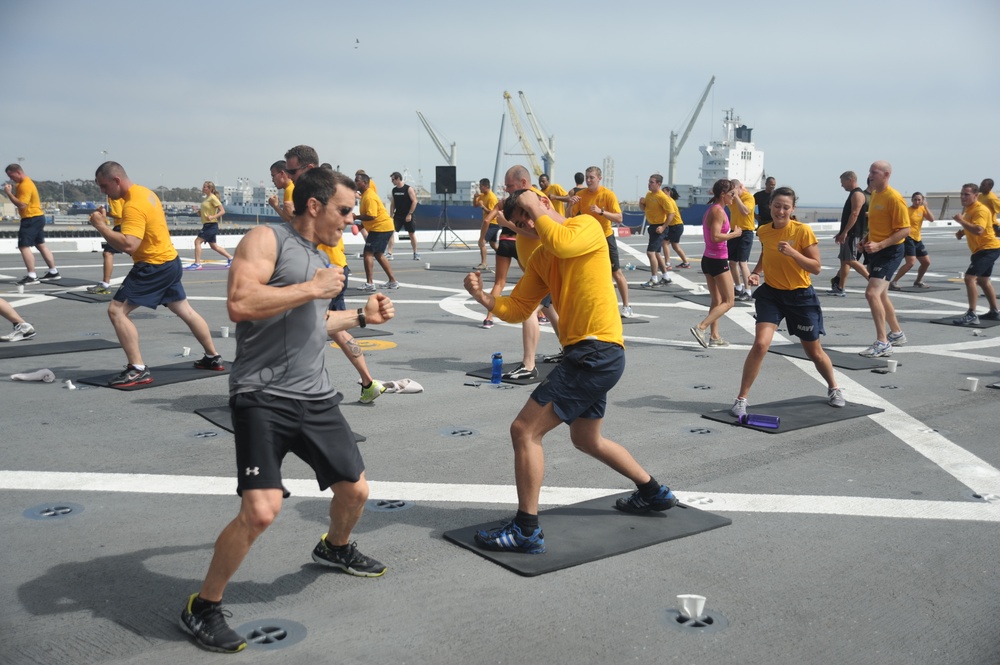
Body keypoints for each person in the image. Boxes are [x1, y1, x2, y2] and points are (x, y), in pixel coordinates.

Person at [179, 167, 394, 654]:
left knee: (356, 491)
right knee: (260, 511)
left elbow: (312, 319)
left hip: (315, 396)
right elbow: (240, 301)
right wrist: (313, 289)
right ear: (315, 206)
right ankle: (203, 605)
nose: (351, 219)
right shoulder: (265, 238)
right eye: (344, 210)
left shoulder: (321, 257)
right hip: (262, 396)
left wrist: (360, 316)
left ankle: (334, 547)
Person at [463, 188, 678, 554]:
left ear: (545, 204)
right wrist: (484, 298)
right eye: (519, 225)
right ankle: (653, 492)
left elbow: (562, 242)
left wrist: (532, 204)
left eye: (528, 216)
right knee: (587, 439)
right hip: (592, 354)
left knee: (524, 431)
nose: (527, 225)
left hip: (595, 352)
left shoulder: (585, 226)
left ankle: (526, 530)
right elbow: (517, 307)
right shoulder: (545, 257)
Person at [89, 162, 222, 387]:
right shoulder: (144, 193)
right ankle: (212, 357)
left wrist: (101, 226)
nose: (103, 192)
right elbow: (132, 225)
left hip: (153, 266)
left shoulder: (134, 204)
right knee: (184, 309)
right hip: (169, 261)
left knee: (116, 311)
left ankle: (137, 368)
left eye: (104, 186)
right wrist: (109, 220)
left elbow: (130, 244)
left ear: (116, 181)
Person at [728, 186, 845, 419]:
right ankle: (741, 399)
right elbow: (766, 252)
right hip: (771, 294)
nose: (780, 211)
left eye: (786, 207)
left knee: (814, 351)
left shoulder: (802, 231)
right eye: (777, 206)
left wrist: (793, 253)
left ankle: (834, 387)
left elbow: (816, 267)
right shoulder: (764, 230)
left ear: (793, 209)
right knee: (761, 344)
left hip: (800, 297)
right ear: (769, 206)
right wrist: (756, 272)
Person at [281, 148, 386, 404]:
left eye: (291, 171)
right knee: (333, 328)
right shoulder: (324, 190)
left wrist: (281, 209)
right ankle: (367, 382)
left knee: (317, 327)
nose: (287, 176)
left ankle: (361, 382)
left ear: (307, 168)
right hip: (333, 267)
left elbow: (301, 227)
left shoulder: (304, 192)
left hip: (326, 269)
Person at [492, 164, 561, 379]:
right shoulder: (522, 201)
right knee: (550, 311)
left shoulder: (534, 201)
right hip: (538, 269)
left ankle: (529, 365)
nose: (508, 192)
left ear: (523, 183)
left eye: (510, 186)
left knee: (529, 310)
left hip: (545, 269)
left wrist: (508, 224)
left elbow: (540, 234)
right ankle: (569, 351)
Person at [858, 161, 910, 358]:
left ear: (886, 174)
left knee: (872, 293)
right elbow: (878, 224)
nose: (870, 175)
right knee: (881, 295)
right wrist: (866, 240)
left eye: (874, 172)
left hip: (891, 251)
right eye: (870, 171)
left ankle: (883, 342)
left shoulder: (894, 198)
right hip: (877, 250)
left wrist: (880, 245)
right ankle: (896, 334)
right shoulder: (877, 195)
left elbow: (905, 230)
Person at [569, 166, 633, 317]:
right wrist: (570, 204)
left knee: (616, 272)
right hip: (588, 238)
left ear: (599, 178)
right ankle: (590, 306)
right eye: (587, 177)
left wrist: (602, 212)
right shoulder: (581, 195)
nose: (588, 180)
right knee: (587, 273)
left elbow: (619, 218)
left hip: (605, 236)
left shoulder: (608, 195)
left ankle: (626, 306)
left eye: (591, 177)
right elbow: (569, 217)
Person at [690, 179, 744, 348]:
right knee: (729, 301)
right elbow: (715, 236)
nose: (733, 197)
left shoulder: (712, 210)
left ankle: (714, 336)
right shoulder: (718, 211)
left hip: (709, 259)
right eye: (731, 194)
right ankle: (701, 327)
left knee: (716, 300)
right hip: (717, 260)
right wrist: (734, 234)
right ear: (723, 194)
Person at [951, 183, 1000, 324]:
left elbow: (979, 229)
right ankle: (994, 311)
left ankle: (972, 313)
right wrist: (962, 232)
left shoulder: (980, 210)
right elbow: (972, 226)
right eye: (961, 194)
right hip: (983, 249)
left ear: (975, 196)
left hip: (988, 249)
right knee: (983, 280)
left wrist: (960, 221)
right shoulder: (969, 209)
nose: (963, 197)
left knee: (969, 278)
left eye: (966, 194)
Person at [4, 163, 59, 285]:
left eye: (12, 176)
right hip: (37, 217)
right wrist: (13, 190)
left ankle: (32, 275)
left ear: (18, 172)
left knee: (23, 246)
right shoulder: (22, 184)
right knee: (40, 244)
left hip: (30, 218)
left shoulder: (25, 185)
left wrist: (8, 193)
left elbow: (22, 204)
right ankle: (53, 271)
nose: (11, 179)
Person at [829, 171, 870, 296]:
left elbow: (854, 214)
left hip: (853, 233)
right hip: (849, 233)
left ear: (850, 179)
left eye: (843, 182)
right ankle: (840, 288)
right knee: (844, 260)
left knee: (850, 260)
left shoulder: (857, 194)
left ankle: (873, 281)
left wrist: (846, 232)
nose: (842, 185)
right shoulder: (854, 194)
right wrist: (841, 232)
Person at [355, 173, 398, 291]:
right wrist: (362, 225)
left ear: (364, 183)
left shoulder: (369, 196)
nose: (355, 182)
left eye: (357, 181)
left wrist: (355, 217)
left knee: (368, 253)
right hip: (383, 227)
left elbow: (372, 215)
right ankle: (393, 281)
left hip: (380, 228)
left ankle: (369, 284)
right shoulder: (364, 195)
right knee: (378, 254)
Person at [890, 192, 934, 290]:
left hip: (917, 239)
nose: (917, 202)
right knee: (911, 262)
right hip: (908, 238)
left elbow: (931, 219)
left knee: (926, 262)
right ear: (912, 200)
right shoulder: (907, 210)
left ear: (922, 200)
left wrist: (926, 207)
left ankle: (918, 281)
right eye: (915, 200)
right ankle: (894, 282)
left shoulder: (922, 209)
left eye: (919, 200)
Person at [187, 181, 234, 270]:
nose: (203, 188)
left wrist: (213, 216)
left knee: (197, 242)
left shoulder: (213, 198)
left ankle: (197, 264)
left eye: (205, 187)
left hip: (211, 225)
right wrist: (200, 212)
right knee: (214, 246)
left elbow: (222, 211)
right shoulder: (206, 198)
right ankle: (231, 258)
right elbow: (208, 210)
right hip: (207, 225)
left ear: (210, 189)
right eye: (203, 186)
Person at [639, 174, 674, 287]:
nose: (649, 184)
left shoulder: (662, 197)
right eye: (649, 182)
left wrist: (663, 227)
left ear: (659, 184)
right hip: (652, 226)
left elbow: (671, 214)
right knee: (657, 253)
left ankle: (654, 279)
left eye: (652, 182)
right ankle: (665, 276)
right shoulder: (649, 194)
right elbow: (644, 209)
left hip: (659, 227)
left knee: (650, 253)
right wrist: (641, 203)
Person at [86, 195, 125, 294]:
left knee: (108, 253)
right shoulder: (123, 194)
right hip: (127, 224)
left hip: (121, 225)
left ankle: (105, 284)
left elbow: (118, 213)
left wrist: (103, 213)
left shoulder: (113, 196)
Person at [728, 179, 757, 301]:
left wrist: (737, 197)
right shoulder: (731, 199)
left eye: (734, 190)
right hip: (734, 231)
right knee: (732, 262)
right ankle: (738, 288)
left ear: (740, 187)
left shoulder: (748, 197)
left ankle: (748, 291)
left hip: (746, 232)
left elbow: (745, 211)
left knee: (742, 262)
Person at [388, 171, 419, 260]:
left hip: (408, 215)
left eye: (393, 179)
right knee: (391, 232)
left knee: (411, 234)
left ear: (398, 179)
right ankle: (389, 253)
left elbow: (414, 201)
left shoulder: (408, 189)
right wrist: (391, 215)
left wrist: (409, 214)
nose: (392, 181)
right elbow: (393, 203)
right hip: (398, 215)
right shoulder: (394, 190)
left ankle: (415, 253)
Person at [661, 186, 691, 270]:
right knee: (675, 246)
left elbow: (671, 214)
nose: (662, 194)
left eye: (664, 192)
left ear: (669, 193)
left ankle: (667, 264)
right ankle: (686, 263)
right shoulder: (669, 201)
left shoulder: (669, 201)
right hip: (677, 226)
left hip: (675, 226)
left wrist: (664, 225)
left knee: (665, 243)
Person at [474, 178, 499, 271]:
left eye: (480, 186)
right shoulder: (482, 195)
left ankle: (484, 263)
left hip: (492, 223)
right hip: (488, 222)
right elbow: (475, 205)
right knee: (493, 244)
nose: (479, 188)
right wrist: (475, 197)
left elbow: (493, 213)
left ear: (485, 186)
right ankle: (504, 255)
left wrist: (483, 207)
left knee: (482, 242)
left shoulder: (492, 197)